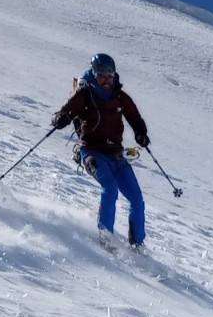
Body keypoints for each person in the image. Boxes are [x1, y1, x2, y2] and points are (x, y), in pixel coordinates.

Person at [52, 53, 151, 247]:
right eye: (102, 76)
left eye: (110, 76)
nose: (106, 81)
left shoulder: (120, 97)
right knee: (110, 189)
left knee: (137, 199)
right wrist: (60, 118)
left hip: (115, 154)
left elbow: (134, 117)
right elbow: (63, 112)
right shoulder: (84, 93)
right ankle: (105, 239)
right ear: (94, 74)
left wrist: (141, 133)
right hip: (91, 152)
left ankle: (137, 245)